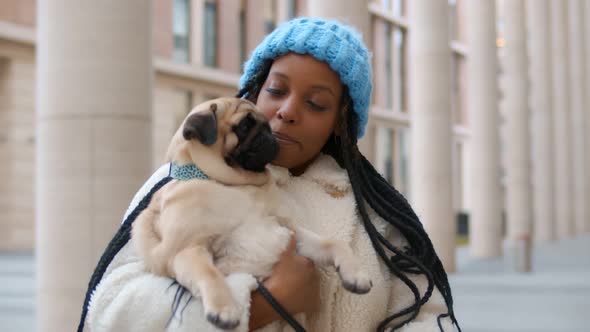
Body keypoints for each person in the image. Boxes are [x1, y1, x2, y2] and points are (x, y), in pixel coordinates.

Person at [81, 17, 460, 332]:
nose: (288, 111)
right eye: (276, 90)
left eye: (315, 103)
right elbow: (111, 309)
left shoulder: (376, 216)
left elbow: (426, 317)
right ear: (254, 90)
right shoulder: (179, 181)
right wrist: (264, 304)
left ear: (340, 124)